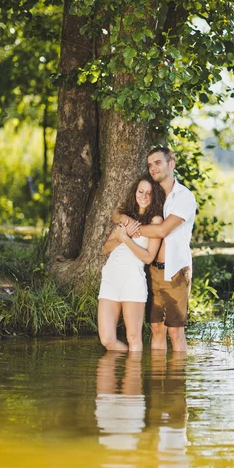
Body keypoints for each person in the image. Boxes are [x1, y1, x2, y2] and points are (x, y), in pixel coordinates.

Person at [114, 147, 196, 353]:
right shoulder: (152, 195)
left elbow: (161, 230)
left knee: (175, 331)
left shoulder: (183, 197)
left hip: (176, 271)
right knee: (156, 328)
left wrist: (132, 230)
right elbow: (117, 213)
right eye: (150, 165)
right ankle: (156, 380)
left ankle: (175, 383)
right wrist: (126, 221)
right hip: (151, 271)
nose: (153, 168)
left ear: (171, 164)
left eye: (157, 163)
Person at [98, 174, 165, 352]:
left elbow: (149, 257)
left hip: (132, 280)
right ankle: (126, 367)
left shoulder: (155, 220)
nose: (143, 196)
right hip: (110, 278)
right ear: (135, 192)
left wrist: (126, 239)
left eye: (148, 193)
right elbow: (106, 248)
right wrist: (121, 237)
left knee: (133, 337)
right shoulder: (125, 217)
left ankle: (133, 377)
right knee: (107, 339)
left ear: (154, 196)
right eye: (140, 191)